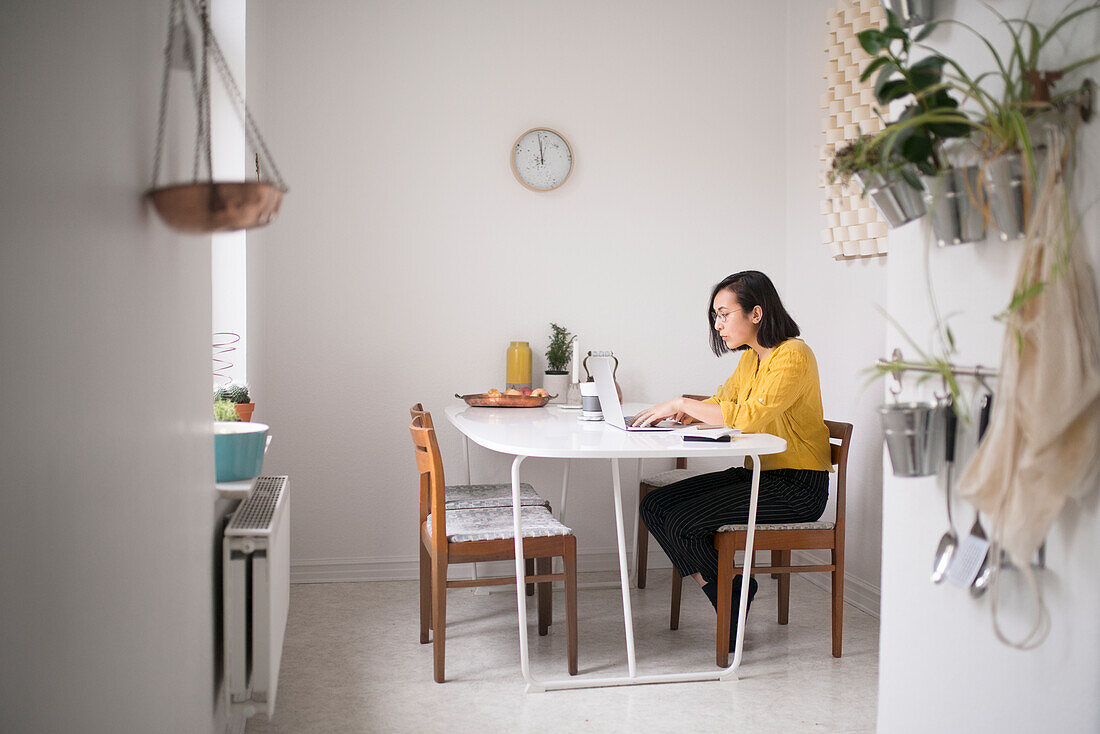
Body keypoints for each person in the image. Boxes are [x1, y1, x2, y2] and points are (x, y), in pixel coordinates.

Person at [634, 270, 832, 650]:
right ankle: (732, 591)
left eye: (724, 314)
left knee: (682, 520)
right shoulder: (750, 360)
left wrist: (681, 403)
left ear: (756, 314)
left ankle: (729, 597)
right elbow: (726, 400)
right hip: (760, 474)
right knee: (655, 506)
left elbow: (748, 416)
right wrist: (693, 412)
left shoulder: (793, 355)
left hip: (798, 487)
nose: (718, 324)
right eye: (715, 316)